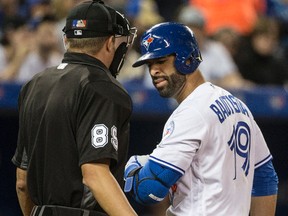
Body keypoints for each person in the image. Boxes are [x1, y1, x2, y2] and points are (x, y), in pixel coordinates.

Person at [124, 22, 278, 215]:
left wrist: (136, 165)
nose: (153, 71)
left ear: (186, 59)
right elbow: (265, 178)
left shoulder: (192, 112)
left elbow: (149, 189)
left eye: (160, 61)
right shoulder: (238, 106)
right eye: (149, 64)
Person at [11, 0, 137, 215]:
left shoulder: (35, 83)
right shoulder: (103, 87)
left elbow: (22, 181)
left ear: (66, 39)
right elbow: (95, 174)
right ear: (109, 43)